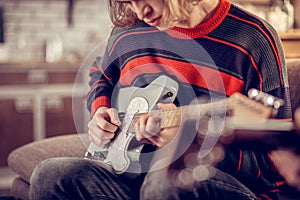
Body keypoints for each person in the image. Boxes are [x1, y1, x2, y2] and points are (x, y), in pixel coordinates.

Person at [29, 0, 293, 199]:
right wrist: (100, 110)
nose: (139, 10)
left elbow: (275, 164)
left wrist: (191, 147)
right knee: (49, 174)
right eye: (127, 0)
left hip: (207, 182)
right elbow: (101, 73)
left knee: (164, 182)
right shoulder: (129, 29)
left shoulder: (254, 38)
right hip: (130, 179)